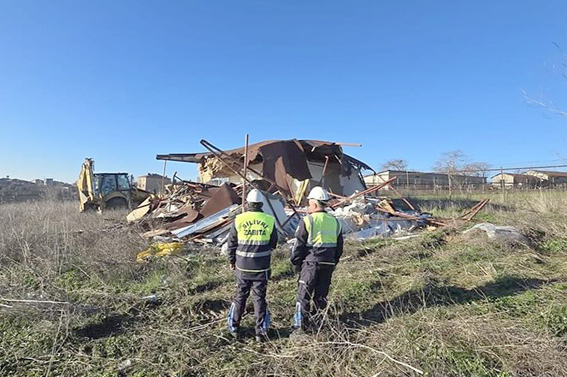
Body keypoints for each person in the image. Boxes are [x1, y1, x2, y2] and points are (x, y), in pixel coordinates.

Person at [227, 189, 278, 342]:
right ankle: (260, 333)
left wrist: (231, 261)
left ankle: (234, 328)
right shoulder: (269, 220)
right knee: (259, 298)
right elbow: (273, 243)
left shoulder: (239, 219)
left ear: (248, 204)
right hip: (261, 266)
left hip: (242, 266)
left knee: (240, 296)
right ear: (261, 204)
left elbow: (231, 243)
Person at [290, 186, 343, 332]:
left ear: (313, 204)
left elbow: (298, 246)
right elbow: (339, 247)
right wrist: (334, 262)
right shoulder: (336, 222)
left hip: (310, 263)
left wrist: (295, 264)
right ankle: (319, 324)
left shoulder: (307, 221)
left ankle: (300, 327)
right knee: (321, 296)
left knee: (304, 295)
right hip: (328, 263)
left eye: (309, 204)